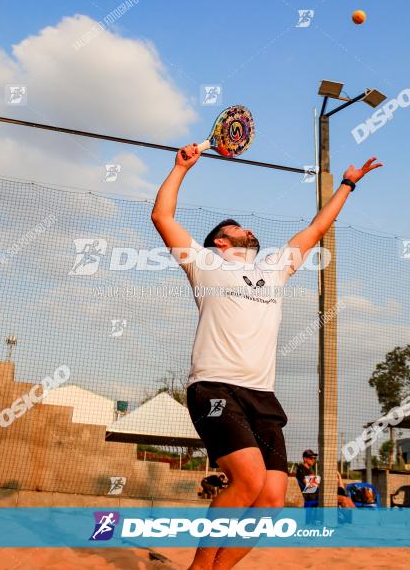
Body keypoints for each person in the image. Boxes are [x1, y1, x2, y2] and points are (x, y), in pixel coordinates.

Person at [152, 144, 382, 570]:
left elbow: (315, 229)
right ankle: (200, 569)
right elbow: (162, 217)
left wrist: (348, 185)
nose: (249, 231)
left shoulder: (274, 267)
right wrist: (180, 168)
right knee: (248, 480)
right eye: (240, 229)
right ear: (222, 241)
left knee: (273, 500)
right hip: (215, 387)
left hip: (262, 397)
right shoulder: (203, 263)